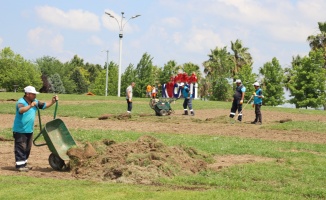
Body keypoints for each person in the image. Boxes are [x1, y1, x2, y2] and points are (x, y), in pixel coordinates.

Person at [12, 86, 58, 172]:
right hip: (20, 130)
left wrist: (52, 102)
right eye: (33, 94)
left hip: (29, 130)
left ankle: (24, 164)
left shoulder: (35, 102)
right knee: (21, 147)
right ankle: (20, 166)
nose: (35, 95)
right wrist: (30, 106)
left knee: (27, 148)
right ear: (27, 94)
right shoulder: (21, 102)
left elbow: (44, 105)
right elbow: (21, 110)